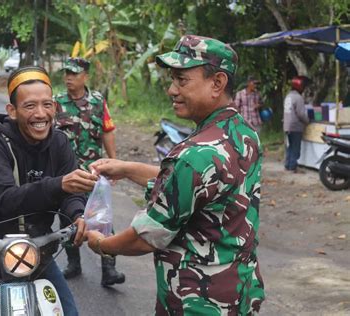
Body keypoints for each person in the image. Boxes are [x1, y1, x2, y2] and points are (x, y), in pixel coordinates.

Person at [85, 35, 265, 315]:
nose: (171, 90)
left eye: (182, 81)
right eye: (172, 80)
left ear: (217, 83)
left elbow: (146, 237)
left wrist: (102, 244)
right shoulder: (242, 133)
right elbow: (198, 184)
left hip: (197, 302)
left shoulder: (193, 154)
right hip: (238, 291)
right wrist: (126, 167)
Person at [0, 66, 98, 316]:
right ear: (12, 111)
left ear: (55, 108)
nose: (40, 114)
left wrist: (78, 215)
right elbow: (6, 199)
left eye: (47, 104)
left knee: (68, 313)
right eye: (30, 106)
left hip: (36, 248)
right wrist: (58, 184)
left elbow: (71, 194)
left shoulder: (60, 143)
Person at [54, 57, 125, 286]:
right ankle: (73, 263)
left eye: (74, 74)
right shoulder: (56, 103)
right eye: (66, 73)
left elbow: (107, 131)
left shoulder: (97, 101)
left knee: (102, 219)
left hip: (94, 174)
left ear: (85, 76)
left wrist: (114, 162)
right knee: (67, 219)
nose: (68, 78)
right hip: (66, 174)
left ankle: (109, 269)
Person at [283, 75, 310, 173]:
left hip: (287, 126)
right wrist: (307, 121)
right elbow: (301, 114)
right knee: (295, 147)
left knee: (289, 146)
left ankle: (287, 165)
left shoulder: (288, 96)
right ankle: (293, 166)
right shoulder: (298, 98)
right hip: (295, 126)